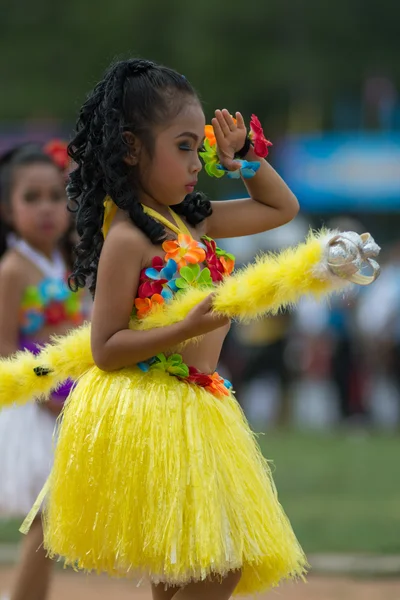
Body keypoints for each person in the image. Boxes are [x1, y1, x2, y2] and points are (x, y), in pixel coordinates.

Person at [0, 59, 380, 599]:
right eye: (183, 146)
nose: (196, 162)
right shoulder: (129, 239)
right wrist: (180, 330)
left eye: (197, 146)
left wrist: (243, 158)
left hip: (199, 409)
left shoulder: (196, 220)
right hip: (148, 410)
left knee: (183, 568)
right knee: (222, 563)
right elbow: (106, 349)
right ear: (132, 148)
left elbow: (281, 207)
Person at [0, 143, 87, 600]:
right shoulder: (13, 269)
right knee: (47, 517)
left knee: (56, 521)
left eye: (56, 196)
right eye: (31, 198)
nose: (47, 209)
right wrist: (42, 394)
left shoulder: (66, 260)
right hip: (35, 406)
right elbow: (3, 345)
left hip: (71, 394)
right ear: (7, 209)